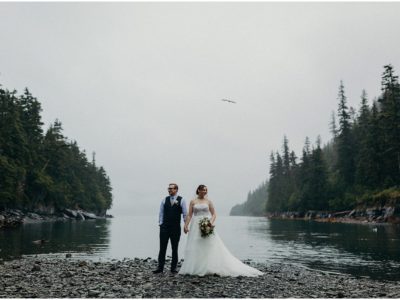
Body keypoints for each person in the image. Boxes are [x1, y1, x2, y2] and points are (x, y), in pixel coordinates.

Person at [178, 185, 263, 277]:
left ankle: (207, 266)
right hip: (195, 225)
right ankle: (195, 266)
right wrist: (186, 225)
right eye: (203, 190)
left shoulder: (208, 201)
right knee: (196, 244)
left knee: (208, 244)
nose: (205, 192)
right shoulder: (193, 201)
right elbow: (190, 215)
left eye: (206, 190)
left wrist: (210, 223)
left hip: (206, 223)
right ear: (198, 190)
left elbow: (214, 214)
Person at [153, 183, 187, 274]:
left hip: (175, 227)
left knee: (174, 248)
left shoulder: (182, 200)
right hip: (164, 227)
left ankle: (173, 268)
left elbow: (185, 214)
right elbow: (161, 212)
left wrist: (186, 225)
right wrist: (160, 223)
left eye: (171, 189)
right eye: (168, 188)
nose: (169, 190)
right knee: (162, 247)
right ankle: (160, 268)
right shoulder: (164, 200)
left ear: (176, 190)